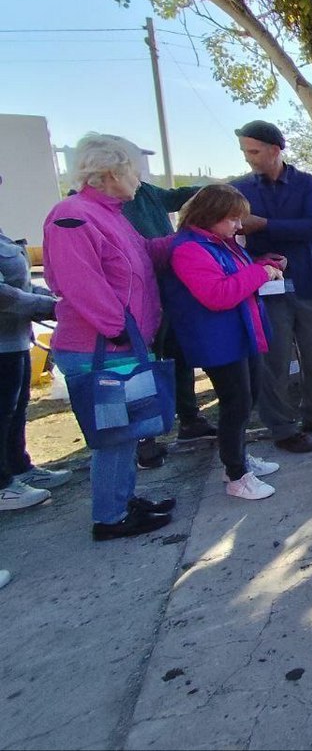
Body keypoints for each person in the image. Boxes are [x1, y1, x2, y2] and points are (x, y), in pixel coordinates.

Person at [42, 133, 178, 541]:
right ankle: (110, 517)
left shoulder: (111, 214)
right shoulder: (73, 215)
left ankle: (122, 499)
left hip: (120, 344)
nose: (139, 180)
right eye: (133, 172)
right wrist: (118, 329)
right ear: (108, 173)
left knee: (128, 430)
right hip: (100, 347)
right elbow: (80, 282)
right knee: (114, 436)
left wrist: (188, 238)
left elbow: (145, 255)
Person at [231, 120, 312, 454]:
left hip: (309, 281)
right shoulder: (240, 189)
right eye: (244, 151)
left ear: (274, 150)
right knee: (276, 359)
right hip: (266, 286)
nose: (248, 158)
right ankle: (283, 426)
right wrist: (268, 231)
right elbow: (235, 229)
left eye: (253, 151)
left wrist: (264, 226)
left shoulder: (307, 185)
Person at [163, 184, 284, 500]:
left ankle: (240, 458)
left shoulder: (218, 242)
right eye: (232, 219)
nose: (239, 226)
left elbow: (236, 277)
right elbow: (217, 294)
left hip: (240, 335)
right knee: (236, 405)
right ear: (210, 215)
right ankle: (236, 475)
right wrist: (261, 273)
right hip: (219, 341)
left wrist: (260, 267)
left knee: (247, 399)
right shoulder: (189, 248)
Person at [122, 173, 216, 469]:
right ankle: (144, 438)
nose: (135, 177)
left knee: (180, 356)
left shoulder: (145, 192)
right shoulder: (89, 210)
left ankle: (190, 419)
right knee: (143, 368)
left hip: (166, 287)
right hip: (135, 299)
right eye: (129, 170)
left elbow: (176, 196)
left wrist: (221, 188)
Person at [1, 174, 70, 513]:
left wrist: (55, 297)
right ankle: (3, 486)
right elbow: (3, 294)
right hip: (2, 342)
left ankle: (19, 468)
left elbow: (22, 283)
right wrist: (53, 306)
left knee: (16, 409)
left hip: (15, 337)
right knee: (2, 411)